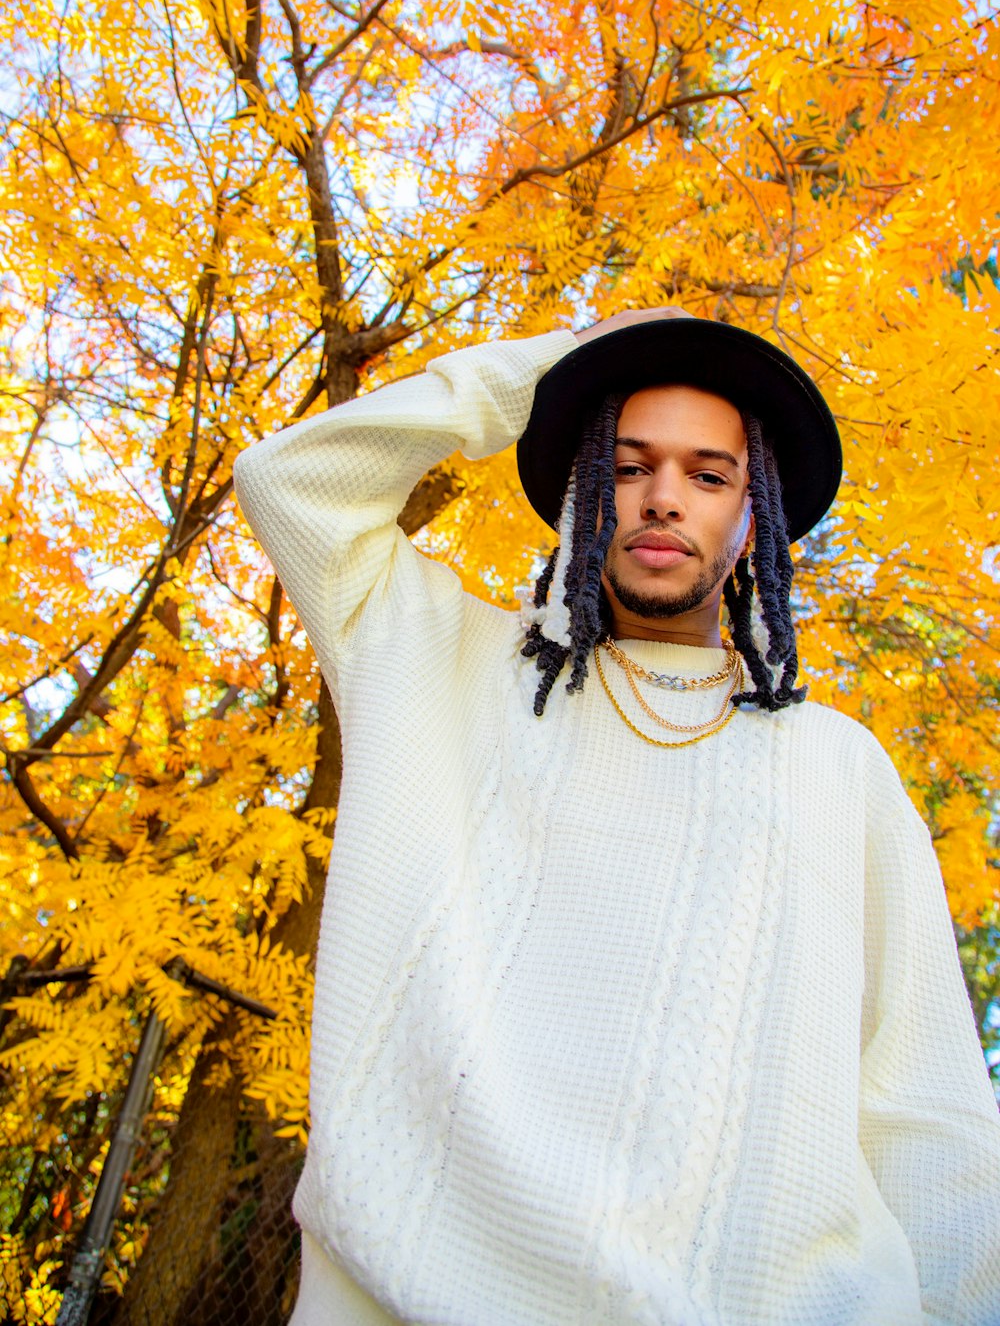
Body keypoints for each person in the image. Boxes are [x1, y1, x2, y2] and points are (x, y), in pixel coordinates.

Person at [234, 307, 1000, 1326]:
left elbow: (924, 1115)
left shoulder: (838, 766)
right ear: (582, 490)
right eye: (627, 465)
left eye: (707, 474)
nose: (662, 499)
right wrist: (566, 363)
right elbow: (288, 482)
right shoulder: (437, 661)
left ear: (754, 514)